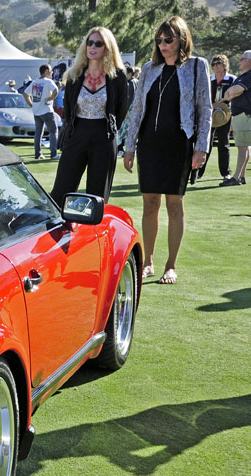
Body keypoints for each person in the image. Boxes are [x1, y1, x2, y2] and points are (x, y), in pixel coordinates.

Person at [123, 16, 211, 285]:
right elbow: (137, 109)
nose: (163, 44)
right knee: (150, 203)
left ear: (182, 39)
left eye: (168, 39)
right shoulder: (149, 68)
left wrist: (201, 147)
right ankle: (148, 261)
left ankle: (170, 265)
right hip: (150, 144)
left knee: (174, 204)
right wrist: (129, 146)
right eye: (159, 40)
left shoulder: (197, 66)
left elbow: (205, 109)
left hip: (179, 144)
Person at [49, 26, 129, 207]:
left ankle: (94, 234)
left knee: (97, 196)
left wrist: (108, 129)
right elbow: (68, 110)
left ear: (107, 47)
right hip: (77, 134)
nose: (92, 47)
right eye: (89, 42)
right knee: (61, 191)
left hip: (104, 138)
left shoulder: (118, 77)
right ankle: (59, 232)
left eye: (98, 44)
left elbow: (121, 110)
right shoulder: (74, 75)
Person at [220, 50, 251, 186]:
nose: (239, 61)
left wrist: (228, 94)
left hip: (244, 115)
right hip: (242, 115)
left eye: (242, 59)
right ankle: (242, 176)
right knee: (244, 147)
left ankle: (237, 177)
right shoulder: (245, 75)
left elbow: (234, 91)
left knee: (242, 147)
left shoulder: (248, 76)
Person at [207, 55, 237, 184]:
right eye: (213, 64)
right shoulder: (209, 79)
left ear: (224, 64)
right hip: (210, 114)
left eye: (218, 63)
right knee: (206, 142)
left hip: (226, 114)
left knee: (223, 143)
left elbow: (236, 95)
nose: (215, 66)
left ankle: (226, 173)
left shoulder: (232, 79)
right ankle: (198, 172)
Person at [25, 64, 59, 160]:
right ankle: (53, 154)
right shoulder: (48, 81)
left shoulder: (34, 82)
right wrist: (51, 98)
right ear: (46, 71)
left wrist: (31, 104)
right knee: (53, 131)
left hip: (36, 111)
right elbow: (56, 90)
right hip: (47, 110)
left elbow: (25, 94)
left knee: (38, 133)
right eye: (51, 70)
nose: (52, 72)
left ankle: (38, 154)